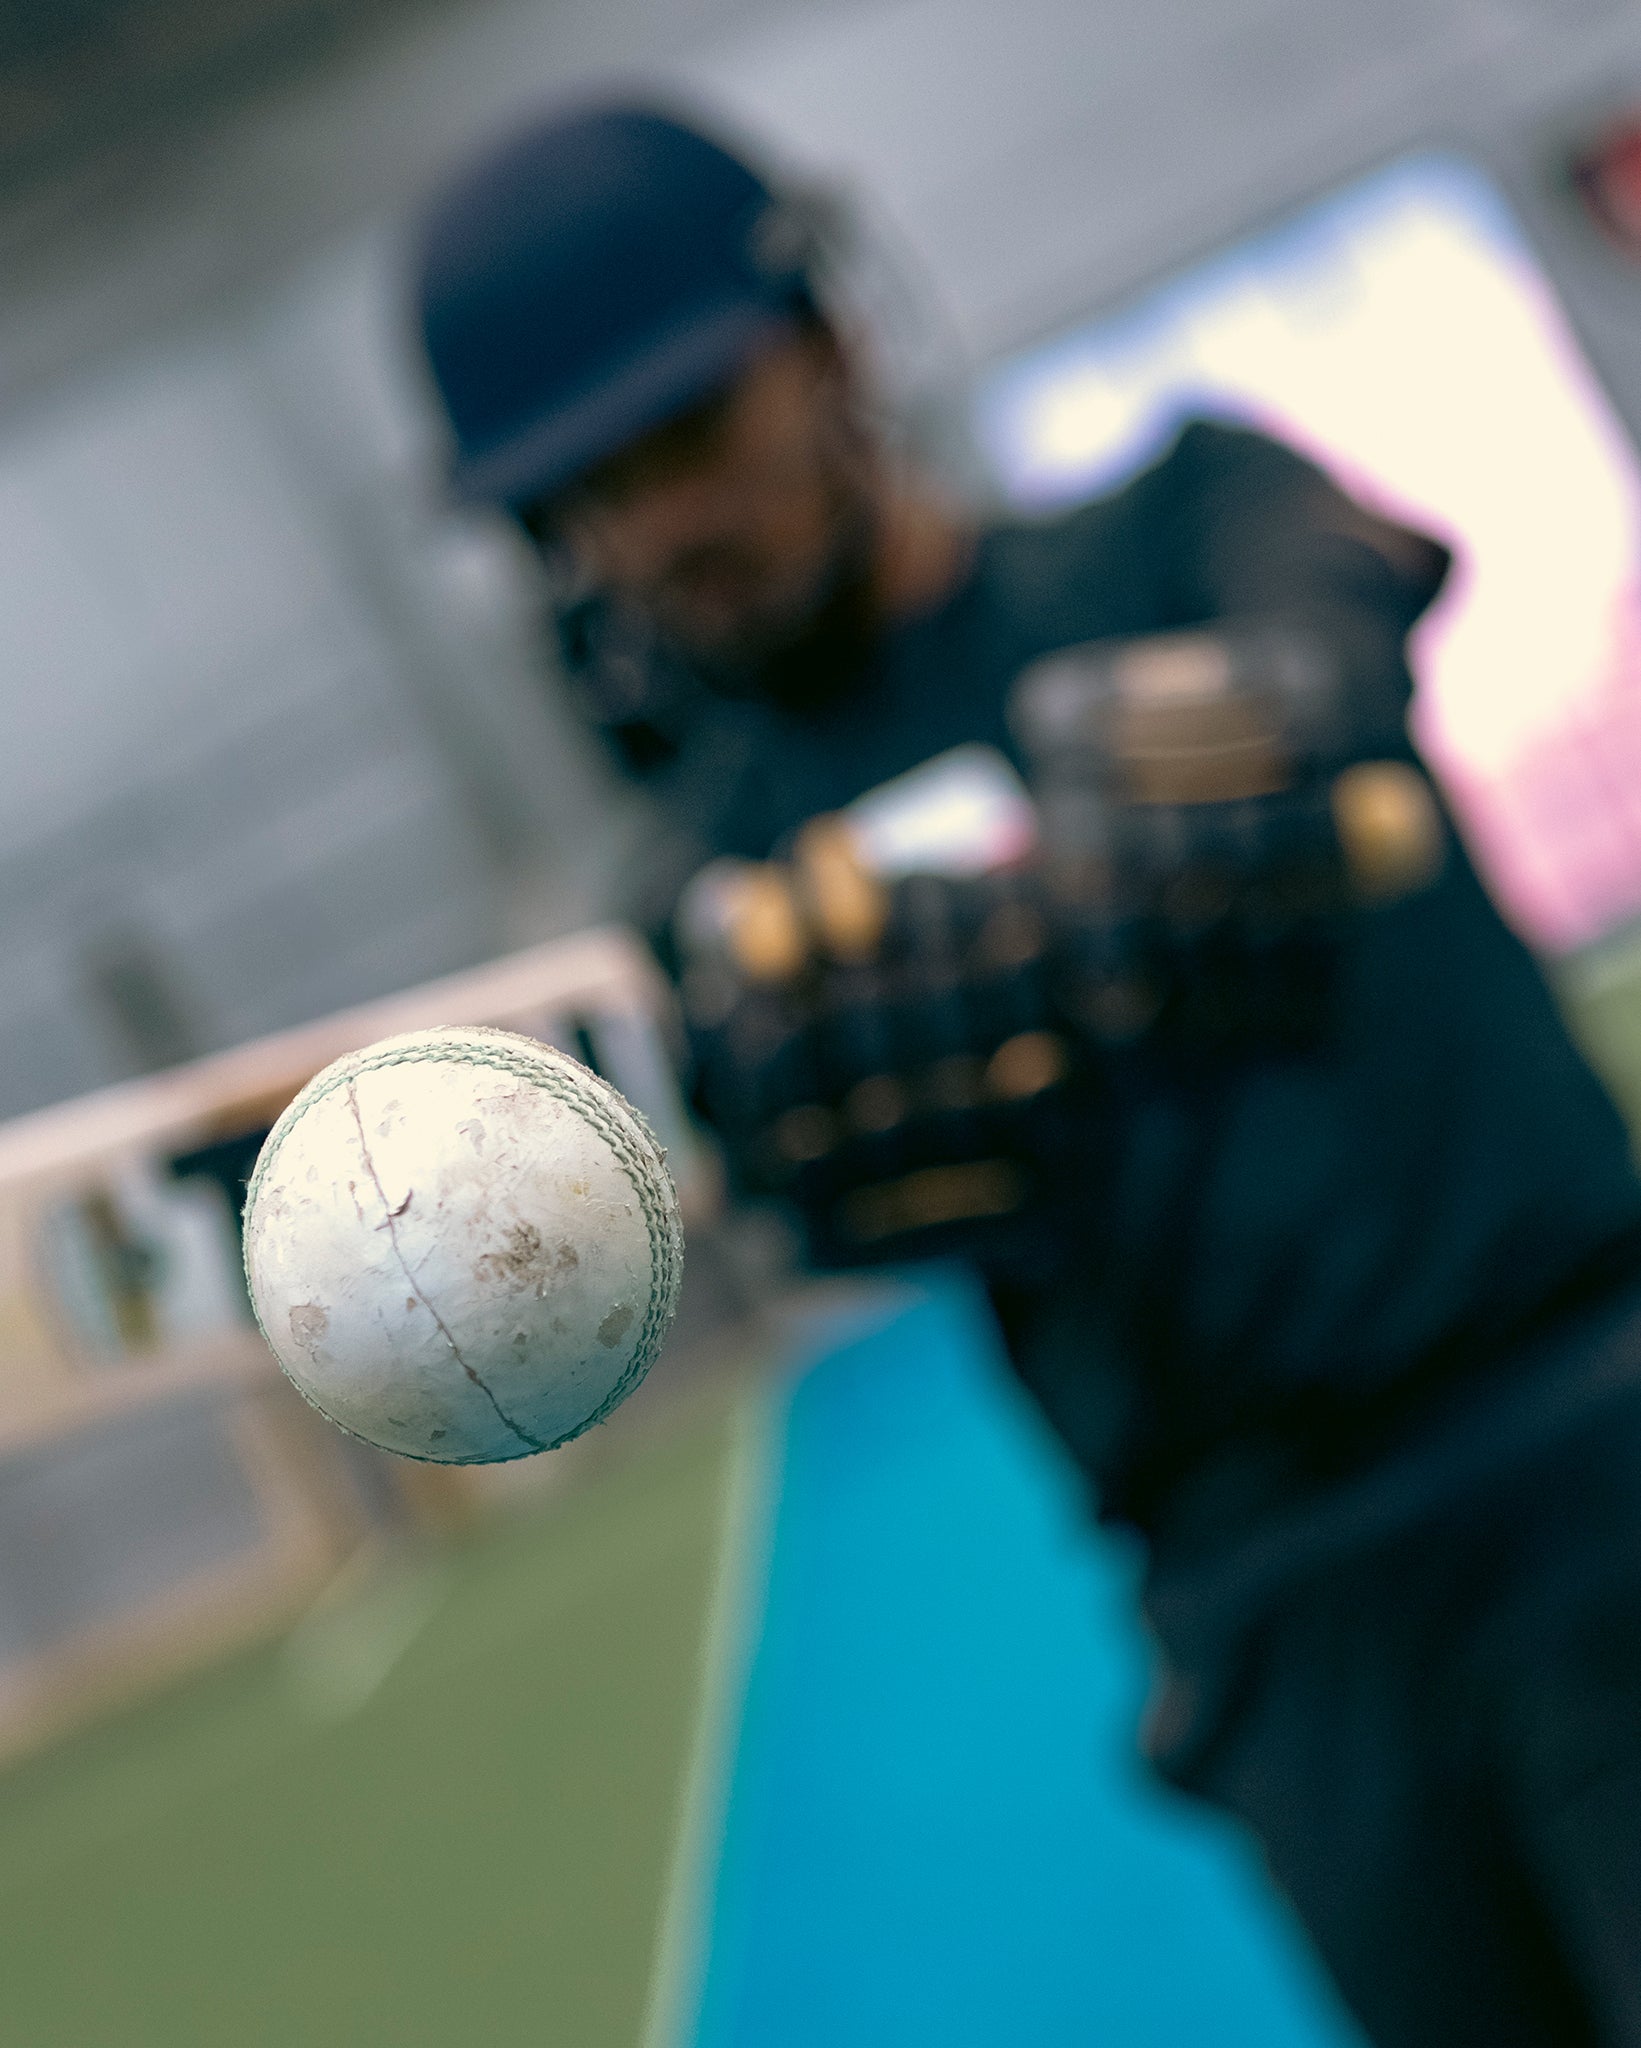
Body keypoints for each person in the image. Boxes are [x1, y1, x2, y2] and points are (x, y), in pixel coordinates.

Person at [413, 104, 1641, 2047]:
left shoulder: (1183, 523)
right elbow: (778, 1172)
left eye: (687, 437)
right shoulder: (713, 895)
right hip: (1272, 1629)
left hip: (1585, 1472)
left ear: (825, 343)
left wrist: (1164, 811)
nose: (661, 528)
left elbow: (1312, 646)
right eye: (588, 496)